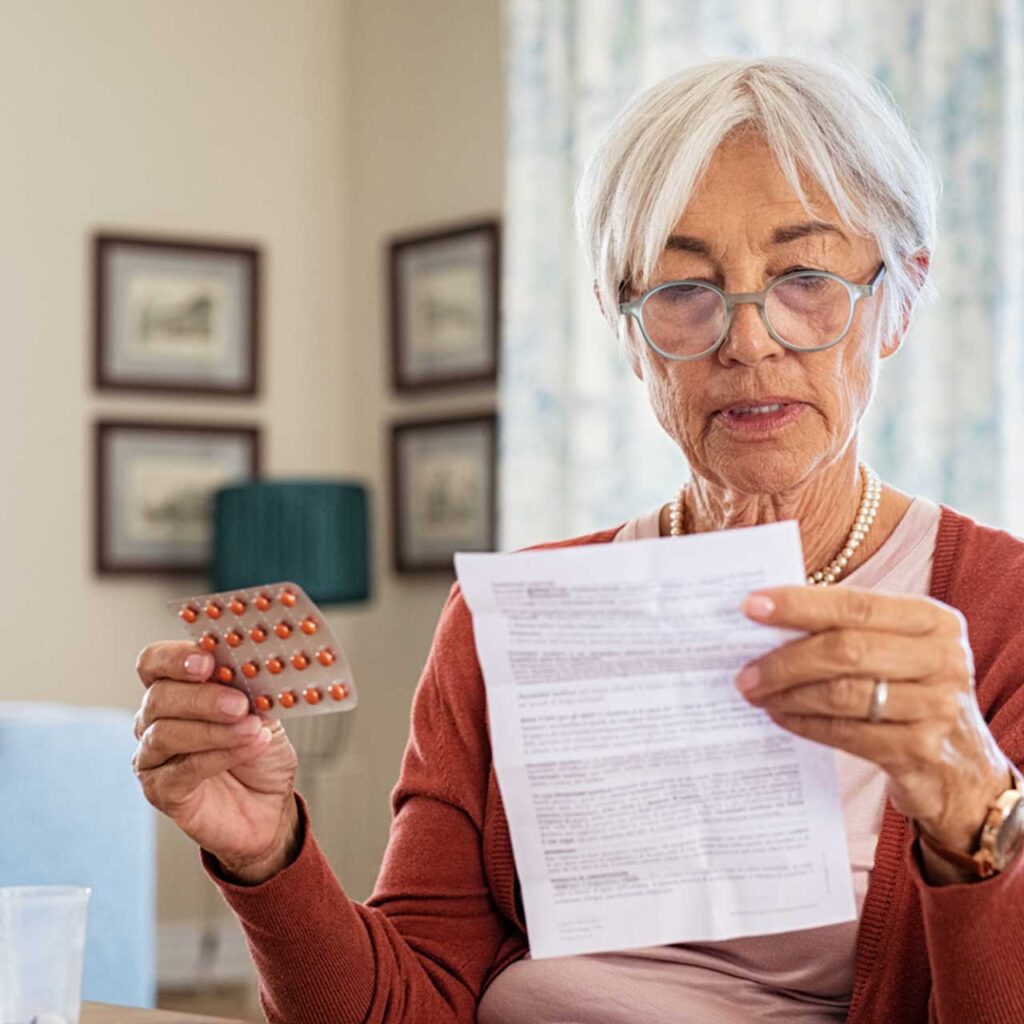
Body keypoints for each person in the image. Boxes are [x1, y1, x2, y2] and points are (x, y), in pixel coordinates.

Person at [131, 55, 1024, 1023]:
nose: (749, 338)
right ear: (626, 330)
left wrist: (974, 814)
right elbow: (406, 1004)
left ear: (895, 299)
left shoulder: (1000, 613)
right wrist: (267, 852)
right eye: (685, 289)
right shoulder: (505, 618)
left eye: (804, 277)